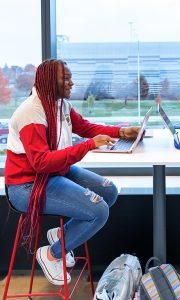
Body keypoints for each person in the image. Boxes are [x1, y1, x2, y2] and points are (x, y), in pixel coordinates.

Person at [4, 59, 141, 286]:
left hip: (54, 173)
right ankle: (51, 255)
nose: (72, 83)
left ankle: (62, 235)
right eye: (66, 79)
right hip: (27, 185)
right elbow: (41, 163)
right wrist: (88, 145)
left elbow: (85, 128)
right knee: (99, 211)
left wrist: (122, 131)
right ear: (49, 82)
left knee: (109, 192)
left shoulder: (60, 104)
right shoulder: (31, 113)